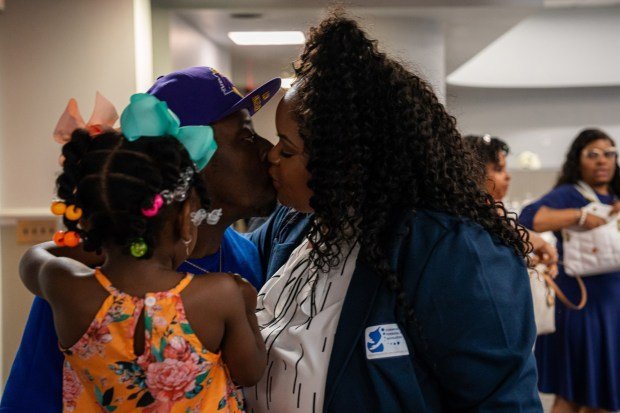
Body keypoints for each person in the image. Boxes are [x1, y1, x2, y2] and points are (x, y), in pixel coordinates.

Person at [245, 14, 542, 412]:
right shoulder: (296, 223)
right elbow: (213, 261)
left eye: (287, 148)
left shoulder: (450, 251)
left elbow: (502, 402)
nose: (271, 157)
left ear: (345, 161)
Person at [1, 67, 280, 412]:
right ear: (192, 163)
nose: (269, 150)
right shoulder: (94, 275)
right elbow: (30, 400)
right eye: (247, 137)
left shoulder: (247, 255)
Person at [520, 128, 620, 413]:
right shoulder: (570, 194)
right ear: (579, 160)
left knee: (602, 393)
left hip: (612, 304)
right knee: (571, 393)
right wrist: (579, 215)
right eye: (593, 155)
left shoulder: (614, 195)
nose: (603, 161)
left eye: (609, 153)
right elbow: (530, 217)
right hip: (580, 305)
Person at [463, 134, 558, 277]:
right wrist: (540, 244)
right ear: (474, 172)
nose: (508, 176)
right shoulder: (468, 216)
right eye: (499, 169)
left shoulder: (490, 210)